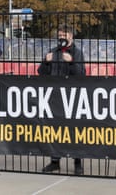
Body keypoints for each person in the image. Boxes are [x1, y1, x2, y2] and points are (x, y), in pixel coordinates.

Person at [38, 24, 86, 175]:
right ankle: (55, 161)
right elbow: (41, 73)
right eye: (60, 34)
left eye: (65, 34)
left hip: (72, 96)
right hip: (55, 96)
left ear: (71, 36)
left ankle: (77, 162)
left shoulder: (77, 53)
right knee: (54, 129)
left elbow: (81, 74)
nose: (62, 37)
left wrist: (71, 62)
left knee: (74, 130)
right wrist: (46, 62)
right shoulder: (53, 51)